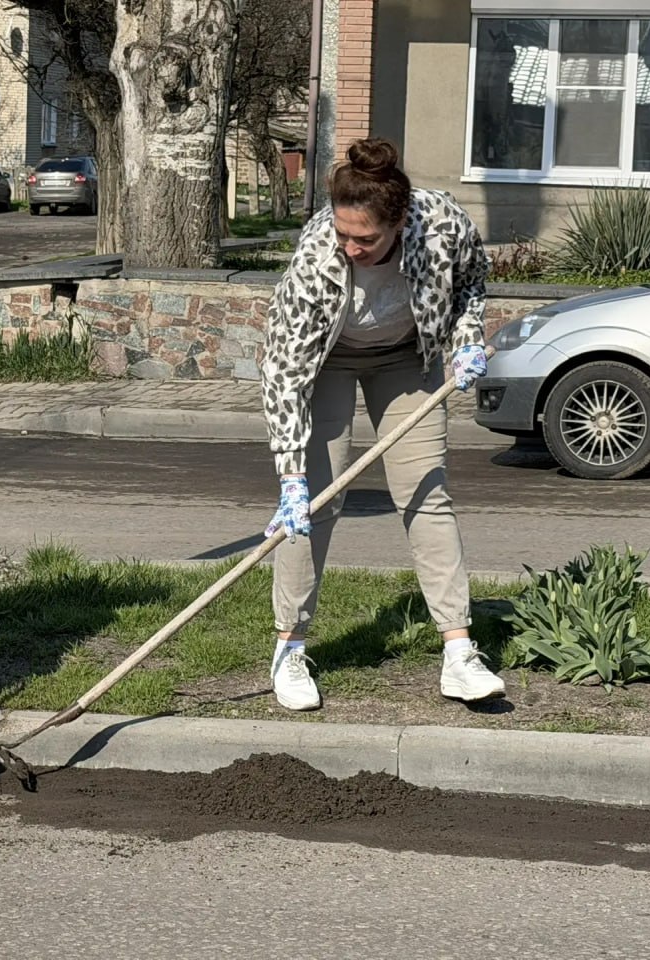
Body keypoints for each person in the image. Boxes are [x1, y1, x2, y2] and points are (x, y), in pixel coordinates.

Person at [260, 137, 504, 711]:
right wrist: (291, 475)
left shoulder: (442, 223)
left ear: (399, 222)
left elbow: (471, 282)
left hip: (404, 357)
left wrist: (467, 342)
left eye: (364, 238)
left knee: (427, 495)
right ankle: (289, 650)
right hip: (328, 360)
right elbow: (285, 370)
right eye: (344, 233)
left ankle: (458, 654)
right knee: (314, 507)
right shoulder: (319, 257)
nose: (350, 247)